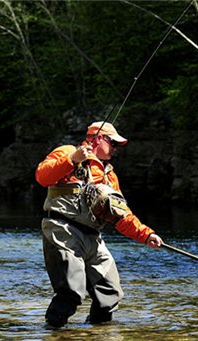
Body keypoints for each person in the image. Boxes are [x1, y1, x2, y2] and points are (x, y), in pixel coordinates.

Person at [35, 121, 163, 328]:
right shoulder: (68, 152)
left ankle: (98, 333)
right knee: (72, 291)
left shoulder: (110, 176)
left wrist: (146, 235)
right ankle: (53, 331)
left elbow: (122, 215)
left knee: (110, 294)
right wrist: (72, 159)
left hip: (93, 237)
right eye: (113, 143)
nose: (115, 148)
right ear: (98, 139)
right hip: (63, 229)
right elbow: (42, 176)